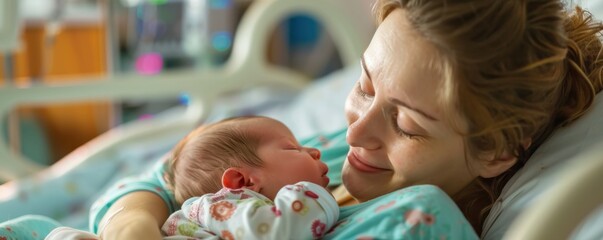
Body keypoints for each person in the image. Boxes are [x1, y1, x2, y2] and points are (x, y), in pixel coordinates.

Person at [91, 0, 603, 239]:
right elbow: (169, 173)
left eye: (406, 125)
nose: (357, 130)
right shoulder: (332, 156)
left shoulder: (415, 223)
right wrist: (130, 224)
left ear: (495, 151)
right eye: (363, 85)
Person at [161, 116, 338, 239]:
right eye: (292, 148)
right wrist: (316, 198)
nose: (314, 151)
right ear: (242, 182)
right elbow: (279, 232)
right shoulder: (216, 208)